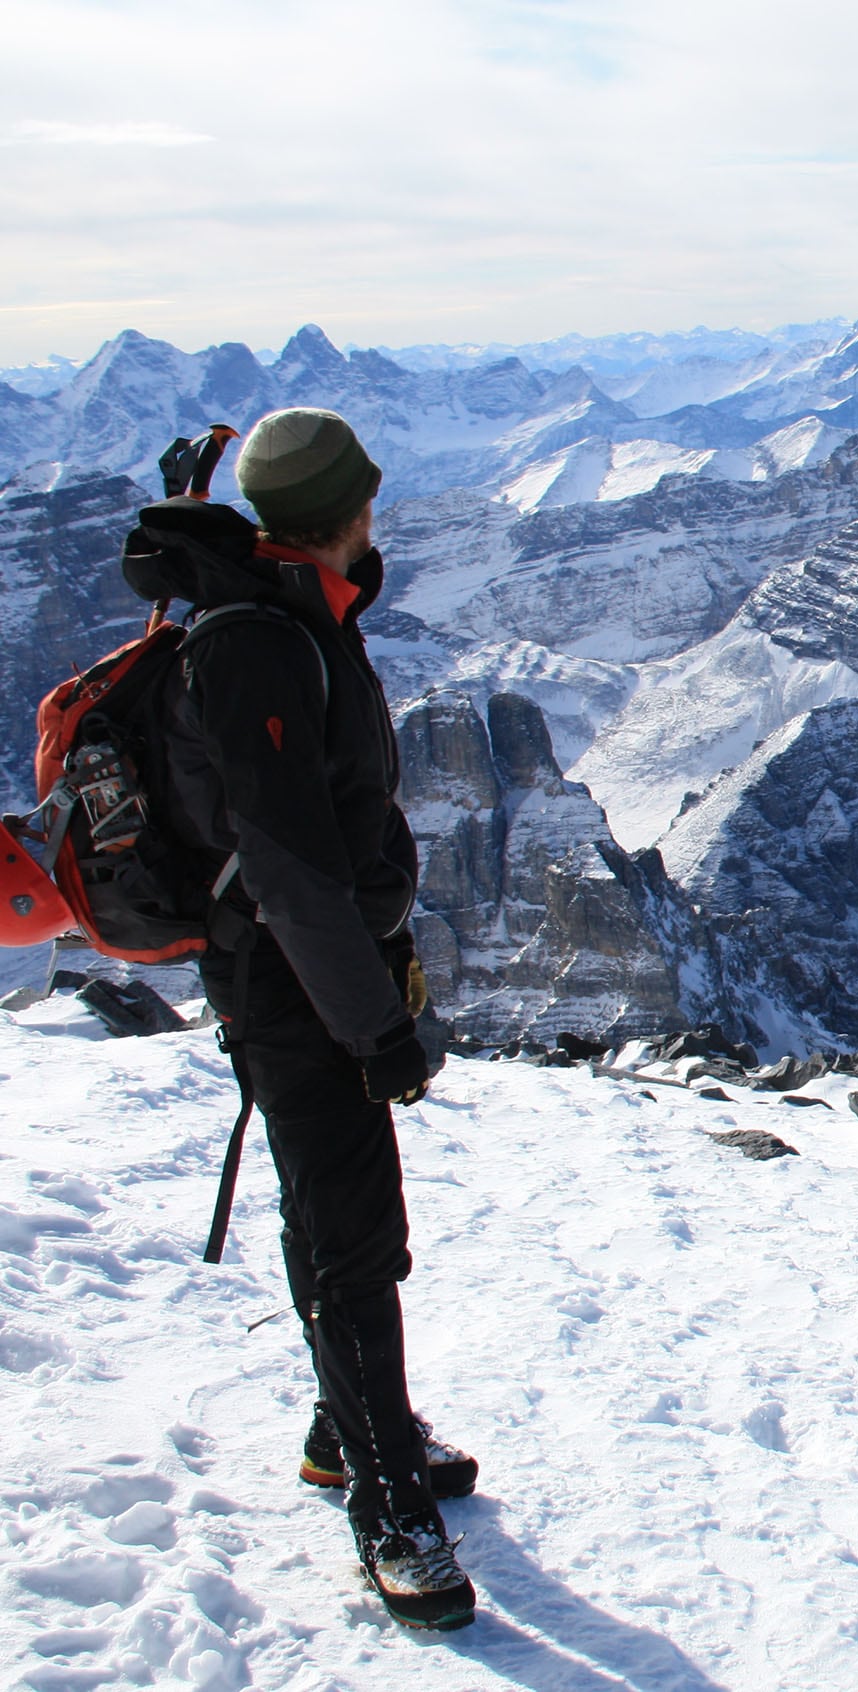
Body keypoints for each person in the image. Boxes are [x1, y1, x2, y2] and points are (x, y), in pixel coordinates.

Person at [120, 407, 478, 1631]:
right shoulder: (263, 647)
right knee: (353, 1228)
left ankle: (348, 1429)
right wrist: (374, 1025)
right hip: (291, 975)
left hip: (310, 963)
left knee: (335, 1203)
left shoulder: (300, 609)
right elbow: (287, 868)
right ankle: (387, 1506)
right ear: (352, 508)